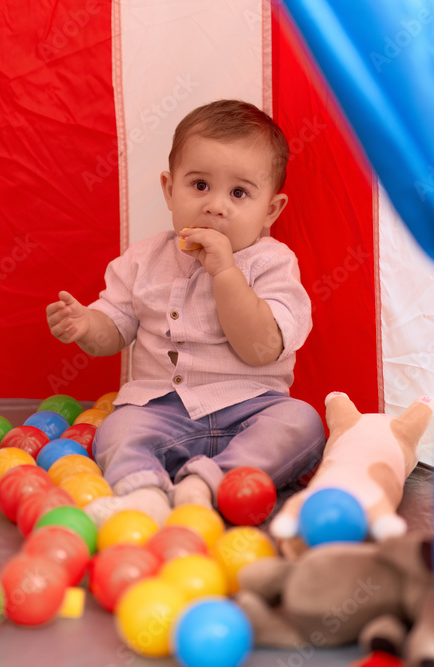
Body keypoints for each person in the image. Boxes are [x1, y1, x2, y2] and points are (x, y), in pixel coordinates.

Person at [46, 99, 325, 525]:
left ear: (271, 210)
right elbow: (114, 330)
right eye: (199, 185)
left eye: (239, 193)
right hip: (160, 411)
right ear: (169, 188)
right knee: (116, 430)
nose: (216, 205)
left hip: (250, 411)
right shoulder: (143, 260)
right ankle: (145, 494)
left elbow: (261, 349)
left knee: (302, 423)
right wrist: (87, 325)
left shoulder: (273, 263)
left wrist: (226, 273)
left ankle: (204, 484)